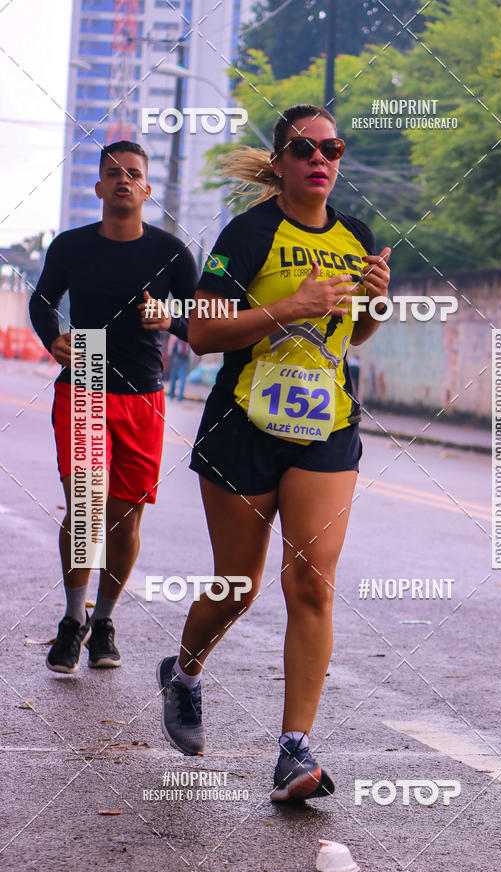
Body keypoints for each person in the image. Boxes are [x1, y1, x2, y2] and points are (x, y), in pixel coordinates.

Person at [157, 104, 391, 801]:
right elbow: (199, 334)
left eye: (332, 148)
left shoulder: (358, 237)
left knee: (311, 583)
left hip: (325, 428)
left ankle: (294, 751)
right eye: (304, 148)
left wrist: (375, 303)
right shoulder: (247, 234)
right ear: (281, 161)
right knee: (238, 587)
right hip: (242, 427)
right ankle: (185, 671)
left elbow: (357, 337)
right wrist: (291, 305)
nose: (321, 158)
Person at [29, 140, 198, 675]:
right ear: (99, 187)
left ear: (147, 189)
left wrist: (167, 318)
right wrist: (52, 337)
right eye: (113, 173)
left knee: (125, 518)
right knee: (85, 504)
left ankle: (104, 620)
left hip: (144, 388)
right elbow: (42, 300)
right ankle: (72, 619)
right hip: (87, 372)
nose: (123, 180)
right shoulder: (71, 246)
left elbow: (203, 318)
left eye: (134, 173)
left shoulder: (172, 252)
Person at [167, 335, 192, 402]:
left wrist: (169, 354)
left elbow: (171, 345)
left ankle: (173, 396)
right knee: (181, 378)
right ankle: (178, 397)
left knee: (175, 377)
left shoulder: (177, 333)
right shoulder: (188, 333)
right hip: (183, 357)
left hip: (179, 357)